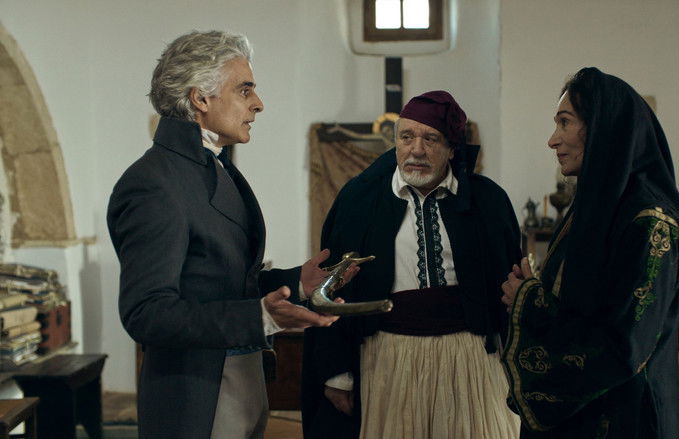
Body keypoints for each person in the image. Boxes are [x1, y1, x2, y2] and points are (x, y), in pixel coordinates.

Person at [107, 30, 353, 439]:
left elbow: (219, 281)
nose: (258, 103)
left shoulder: (212, 167)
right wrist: (260, 317)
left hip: (239, 376)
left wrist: (297, 283)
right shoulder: (154, 182)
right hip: (197, 394)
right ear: (200, 99)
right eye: (244, 90)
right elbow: (146, 313)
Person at [302, 91, 522, 438]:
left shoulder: (488, 201)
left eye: (430, 139)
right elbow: (330, 292)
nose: (416, 150)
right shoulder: (359, 200)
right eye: (406, 137)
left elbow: (510, 290)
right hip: (389, 359)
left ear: (452, 148)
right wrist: (337, 374)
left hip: (471, 359)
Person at [500, 67, 679, 438]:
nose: (552, 140)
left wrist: (530, 302)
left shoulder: (649, 225)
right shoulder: (592, 209)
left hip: (623, 420)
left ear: (603, 128)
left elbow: (622, 346)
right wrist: (532, 290)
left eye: (565, 122)